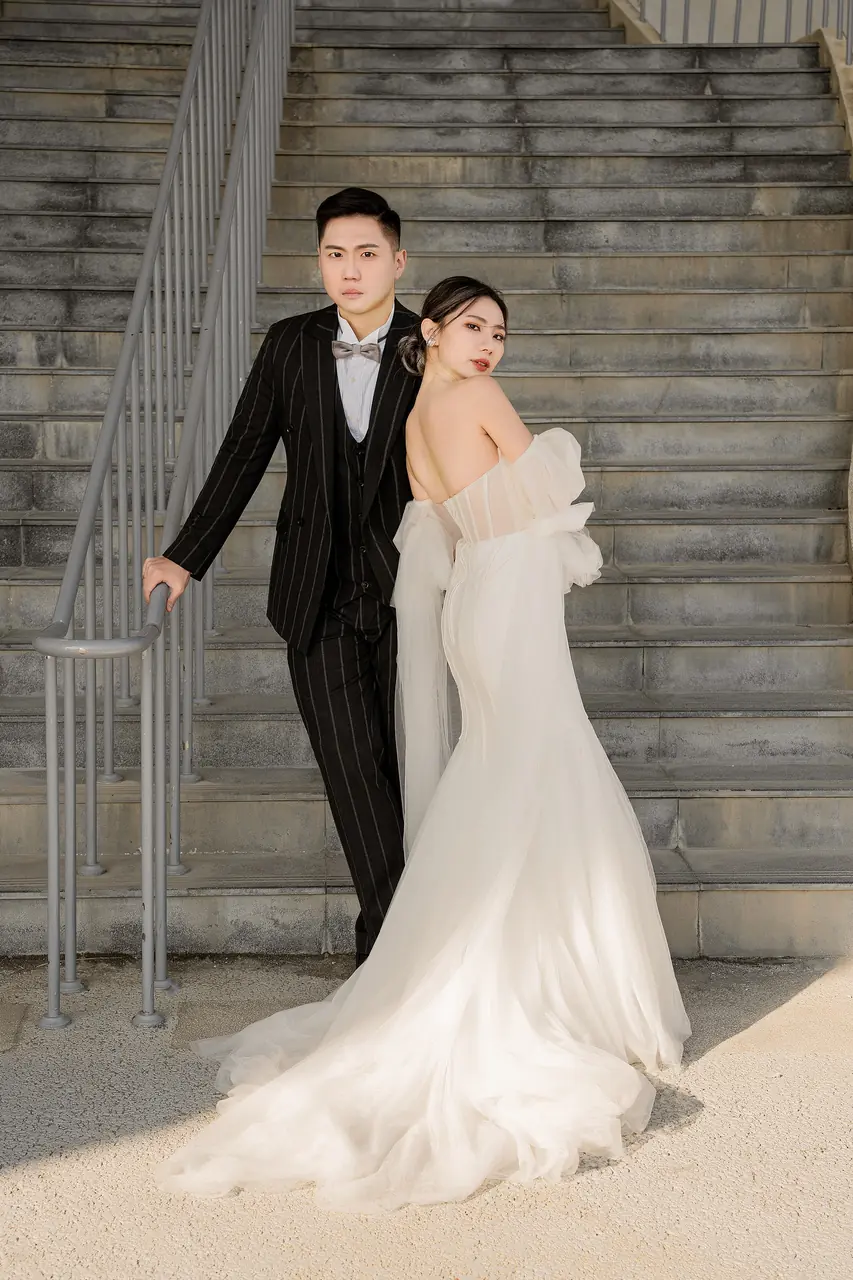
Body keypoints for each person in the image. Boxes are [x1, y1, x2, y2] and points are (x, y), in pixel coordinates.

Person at [156, 277, 692, 1213]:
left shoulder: (410, 426)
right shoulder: (479, 398)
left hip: (474, 605)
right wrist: (552, 470)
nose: (489, 345)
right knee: (543, 767)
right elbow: (548, 489)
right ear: (432, 331)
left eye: (500, 333)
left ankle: (505, 955)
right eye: (473, 326)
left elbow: (437, 527)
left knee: (505, 773)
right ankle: (553, 981)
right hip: (510, 601)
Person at [142, 188, 420, 967]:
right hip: (315, 592)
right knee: (352, 771)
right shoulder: (291, 342)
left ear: (398, 261)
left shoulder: (427, 343)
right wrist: (183, 556)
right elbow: (243, 449)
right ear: (319, 262)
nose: (349, 270)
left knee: (403, 771)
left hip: (411, 590)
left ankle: (395, 952)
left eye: (366, 254)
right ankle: (399, 958)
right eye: (334, 254)